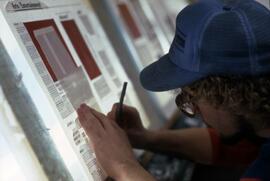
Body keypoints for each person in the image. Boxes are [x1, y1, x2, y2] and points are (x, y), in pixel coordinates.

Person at [77, 0, 270, 180]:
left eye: (192, 97)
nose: (195, 113)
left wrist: (122, 165)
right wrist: (146, 138)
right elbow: (239, 149)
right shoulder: (260, 127)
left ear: (230, 95)